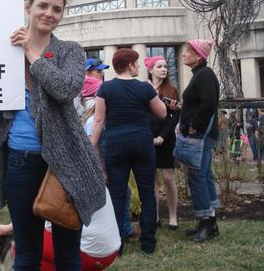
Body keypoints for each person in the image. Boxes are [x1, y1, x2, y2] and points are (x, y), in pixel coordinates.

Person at [0, 0, 106, 270]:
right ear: (28, 8)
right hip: (21, 162)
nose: (49, 13)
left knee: (67, 253)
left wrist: (32, 52)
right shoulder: (2, 48)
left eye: (56, 9)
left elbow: (66, 88)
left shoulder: (70, 51)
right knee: (27, 252)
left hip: (66, 163)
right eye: (43, 6)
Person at [90, 48, 166, 255]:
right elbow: (162, 112)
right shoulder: (145, 88)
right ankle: (148, 242)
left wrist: (92, 147)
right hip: (142, 142)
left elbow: (98, 120)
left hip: (116, 145)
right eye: (137, 63)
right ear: (130, 65)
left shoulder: (105, 89)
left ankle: (118, 244)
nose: (139, 66)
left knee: (117, 194)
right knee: (147, 193)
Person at [0, 188, 120, 271]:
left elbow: (42, 214)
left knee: (23, 247)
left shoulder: (56, 178)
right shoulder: (88, 167)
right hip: (110, 252)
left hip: (87, 254)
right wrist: (10, 227)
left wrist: (13, 229)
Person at [179, 39, 221, 242]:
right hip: (202, 135)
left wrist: (192, 125)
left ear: (199, 56)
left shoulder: (204, 74)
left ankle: (206, 222)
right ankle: (210, 222)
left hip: (200, 135)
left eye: (188, 51)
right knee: (204, 176)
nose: (184, 54)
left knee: (198, 177)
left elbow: (209, 103)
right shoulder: (201, 74)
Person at [144, 56, 180, 230]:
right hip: (148, 139)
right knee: (152, 180)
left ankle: (173, 216)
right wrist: (149, 136)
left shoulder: (171, 90)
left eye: (165, 66)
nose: (164, 69)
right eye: (159, 66)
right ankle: (155, 216)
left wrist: (163, 136)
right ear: (151, 69)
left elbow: (175, 116)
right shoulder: (144, 88)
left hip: (167, 140)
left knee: (168, 179)